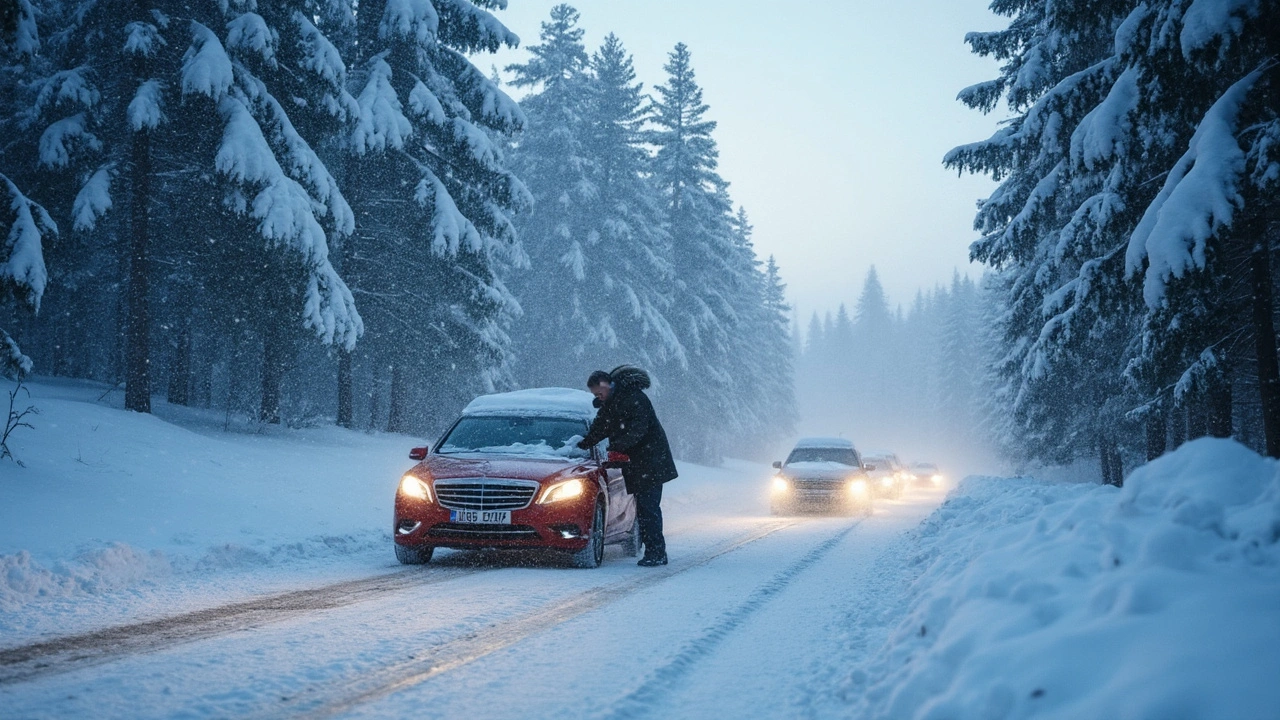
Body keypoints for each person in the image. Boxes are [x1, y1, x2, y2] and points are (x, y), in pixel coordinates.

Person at [577, 365, 677, 566]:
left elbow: (638, 430)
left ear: (607, 385)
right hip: (640, 464)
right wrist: (583, 443)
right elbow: (600, 427)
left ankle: (657, 553)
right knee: (645, 510)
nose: (599, 396)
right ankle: (655, 552)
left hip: (651, 463)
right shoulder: (614, 402)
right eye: (595, 394)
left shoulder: (634, 399)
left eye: (599, 392)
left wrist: (617, 448)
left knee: (649, 509)